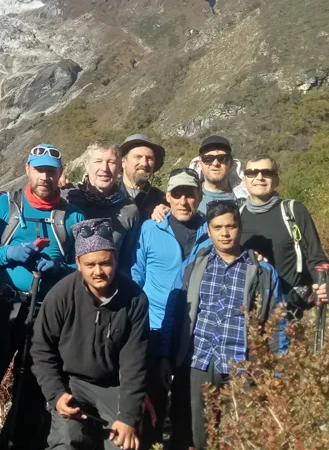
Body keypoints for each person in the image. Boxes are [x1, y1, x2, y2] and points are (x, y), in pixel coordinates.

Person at [0, 143, 86, 450]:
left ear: (60, 174)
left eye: (51, 171)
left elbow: (85, 267)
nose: (44, 177)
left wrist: (61, 269)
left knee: (33, 393)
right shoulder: (5, 206)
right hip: (5, 311)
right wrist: (10, 253)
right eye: (39, 169)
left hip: (48, 316)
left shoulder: (74, 216)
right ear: (28, 170)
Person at [164, 201, 285, 450]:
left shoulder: (262, 271)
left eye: (230, 226)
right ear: (208, 230)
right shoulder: (194, 266)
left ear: (240, 228)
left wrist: (277, 371)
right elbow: (174, 314)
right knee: (197, 437)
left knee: (243, 436)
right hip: (198, 362)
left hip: (242, 365)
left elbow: (277, 324)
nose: (225, 233)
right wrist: (165, 356)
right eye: (218, 227)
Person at [32, 219, 149, 450]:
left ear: (115, 259)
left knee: (124, 444)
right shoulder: (61, 295)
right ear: (78, 263)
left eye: (105, 263)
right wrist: (56, 395)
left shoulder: (134, 299)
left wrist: (128, 416)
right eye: (90, 264)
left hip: (114, 386)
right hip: (72, 383)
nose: (98, 271)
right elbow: (42, 350)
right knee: (66, 442)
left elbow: (135, 363)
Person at [128, 167, 210, 449]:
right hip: (152, 327)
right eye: (177, 194)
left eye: (190, 194)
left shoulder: (211, 233)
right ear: (168, 196)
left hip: (195, 332)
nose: (184, 201)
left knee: (187, 411)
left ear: (200, 196)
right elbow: (137, 275)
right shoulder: (151, 228)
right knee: (150, 407)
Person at [238, 155, 329, 314]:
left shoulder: (294, 211)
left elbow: (315, 254)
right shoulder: (238, 216)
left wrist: (324, 285)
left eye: (266, 172)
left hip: (290, 307)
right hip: (251, 307)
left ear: (276, 179)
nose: (259, 177)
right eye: (252, 173)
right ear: (244, 180)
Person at [65, 141, 142, 274]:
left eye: (111, 162)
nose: (104, 168)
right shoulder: (68, 198)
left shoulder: (129, 209)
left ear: (119, 168)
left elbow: (127, 260)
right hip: (67, 283)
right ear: (87, 166)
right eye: (98, 161)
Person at [189, 136, 248, 214]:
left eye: (222, 158)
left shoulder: (246, 202)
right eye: (208, 159)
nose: (215, 163)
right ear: (199, 164)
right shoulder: (187, 200)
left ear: (231, 164)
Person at [119, 134, 169, 227]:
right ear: (123, 162)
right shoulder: (109, 194)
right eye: (138, 157)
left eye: (149, 158)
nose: (144, 163)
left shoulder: (161, 199)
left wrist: (168, 213)